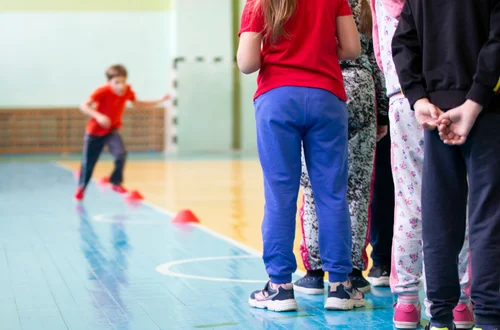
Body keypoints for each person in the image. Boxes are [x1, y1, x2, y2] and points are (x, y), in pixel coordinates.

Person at [238, 0, 363, 312]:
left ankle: (280, 287)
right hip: (326, 98)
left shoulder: (259, 3)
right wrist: (316, 53)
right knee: (332, 196)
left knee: (280, 195)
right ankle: (339, 286)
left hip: (277, 99)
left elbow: (247, 63)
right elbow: (351, 49)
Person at [392, 0, 500, 329]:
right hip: (487, 110)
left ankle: (439, 317)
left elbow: (403, 41)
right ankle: (489, 317)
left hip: (438, 109)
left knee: (439, 216)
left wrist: (419, 98)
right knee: (488, 215)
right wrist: (476, 98)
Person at [371, 0, 473, 328]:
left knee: (410, 201)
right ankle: (460, 301)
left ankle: (407, 302)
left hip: (402, 96)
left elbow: (378, 47)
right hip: (447, 93)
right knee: (460, 198)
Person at [293, 0, 389, 295]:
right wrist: (382, 110)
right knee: (359, 189)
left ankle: (314, 270)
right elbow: (376, 58)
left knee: (313, 186)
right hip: (362, 90)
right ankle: (353, 269)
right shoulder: (367, 6)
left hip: (321, 85)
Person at [74, 64, 169, 201]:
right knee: (89, 163)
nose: (121, 86)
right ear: (109, 82)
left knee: (121, 154)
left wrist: (160, 100)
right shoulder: (102, 91)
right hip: (94, 132)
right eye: (116, 82)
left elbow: (138, 104)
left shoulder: (127, 91)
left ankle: (115, 182)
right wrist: (99, 116)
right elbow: (84, 106)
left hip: (111, 130)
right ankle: (81, 188)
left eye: (123, 82)